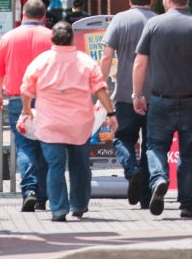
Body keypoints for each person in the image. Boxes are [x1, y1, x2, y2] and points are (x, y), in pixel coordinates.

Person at [132, 0, 192, 219]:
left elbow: (140, 63)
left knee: (155, 146)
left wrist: (137, 94)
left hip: (160, 100)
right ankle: (187, 204)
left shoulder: (153, 24)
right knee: (189, 153)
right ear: (187, 0)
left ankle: (160, 178)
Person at [20, 20, 118, 222]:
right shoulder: (86, 62)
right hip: (79, 123)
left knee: (55, 166)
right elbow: (100, 89)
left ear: (52, 39)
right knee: (80, 164)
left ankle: (58, 209)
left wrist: (27, 108)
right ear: (72, 38)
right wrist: (111, 113)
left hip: (50, 124)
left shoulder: (41, 61)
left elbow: (26, 90)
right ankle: (79, 204)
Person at [0, 0, 53, 212]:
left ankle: (29, 190)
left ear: (23, 14)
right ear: (43, 16)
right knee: (46, 145)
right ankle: (43, 196)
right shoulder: (51, 37)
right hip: (47, 100)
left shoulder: (9, 38)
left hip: (17, 99)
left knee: (24, 146)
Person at [100, 0, 154, 209]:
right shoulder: (157, 20)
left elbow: (106, 55)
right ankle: (146, 197)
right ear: (151, 0)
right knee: (152, 144)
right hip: (155, 93)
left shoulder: (119, 20)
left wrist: (100, 85)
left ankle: (132, 171)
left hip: (124, 92)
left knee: (122, 137)